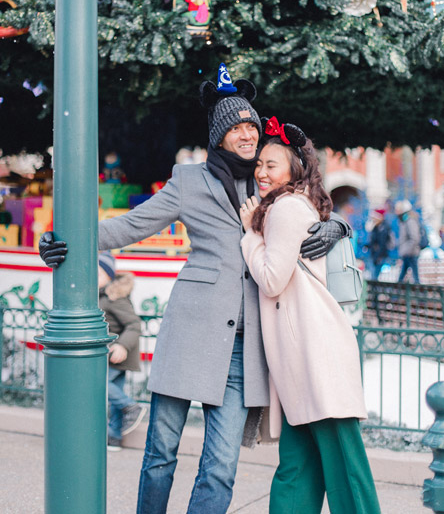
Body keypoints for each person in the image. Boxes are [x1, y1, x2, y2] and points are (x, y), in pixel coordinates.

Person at [38, 66, 347, 514]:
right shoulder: (188, 181)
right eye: (237, 128)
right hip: (191, 329)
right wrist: (65, 238)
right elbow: (131, 225)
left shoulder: (270, 184)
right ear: (219, 135)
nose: (247, 136)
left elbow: (314, 204)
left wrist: (337, 227)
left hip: (247, 347)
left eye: (252, 128)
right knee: (161, 453)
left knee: (221, 466)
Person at [239, 121, 380, 514]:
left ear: (294, 170)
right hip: (302, 353)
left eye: (272, 165)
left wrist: (250, 235)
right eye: (260, 164)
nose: (262, 172)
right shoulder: (291, 205)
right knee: (298, 467)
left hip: (314, 352)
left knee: (343, 467)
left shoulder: (284, 208)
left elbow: (270, 279)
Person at [97, 252, 145, 452]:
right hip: (111, 352)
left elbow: (134, 324)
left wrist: (122, 345)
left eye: (98, 273)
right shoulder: (101, 295)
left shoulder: (114, 297)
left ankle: (131, 407)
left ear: (109, 275)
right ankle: (114, 437)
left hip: (118, 352)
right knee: (112, 389)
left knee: (98, 384)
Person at [395, 200, 421, 283]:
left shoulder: (410, 221)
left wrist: (407, 250)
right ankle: (397, 291)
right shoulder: (404, 221)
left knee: (414, 275)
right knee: (405, 274)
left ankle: (418, 293)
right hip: (407, 253)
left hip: (411, 253)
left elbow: (414, 238)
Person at [364, 209, 392, 281]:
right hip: (374, 254)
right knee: (373, 275)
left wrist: (379, 256)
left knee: (375, 275)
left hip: (380, 255)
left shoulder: (384, 228)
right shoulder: (375, 228)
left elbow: (382, 243)